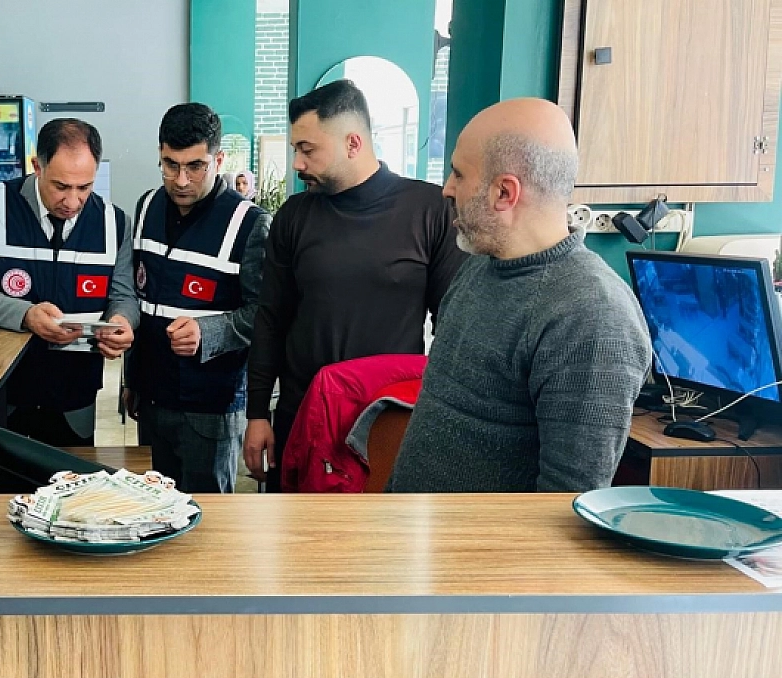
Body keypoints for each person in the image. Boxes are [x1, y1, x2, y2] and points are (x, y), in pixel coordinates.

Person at [388, 98, 651, 493]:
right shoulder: (481, 265)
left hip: (478, 537)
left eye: (458, 174)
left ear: (504, 192)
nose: (447, 189)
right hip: (413, 523)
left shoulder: (593, 317)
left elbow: (566, 501)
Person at [244, 80, 467, 491]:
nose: (297, 163)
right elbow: (270, 318)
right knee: (291, 528)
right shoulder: (294, 214)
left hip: (385, 418)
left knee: (376, 531)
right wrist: (257, 413)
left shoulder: (430, 210)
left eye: (307, 149)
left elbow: (453, 331)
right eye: (295, 149)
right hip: (302, 416)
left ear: (352, 143)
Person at [108, 103, 271, 493]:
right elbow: (141, 298)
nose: (181, 180)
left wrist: (208, 332)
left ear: (219, 160)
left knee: (208, 515)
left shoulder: (250, 223)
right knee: (151, 505)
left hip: (211, 406)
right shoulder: (146, 206)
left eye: (195, 166)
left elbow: (264, 314)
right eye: (170, 165)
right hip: (151, 397)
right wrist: (132, 379)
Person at [0, 118, 134, 447]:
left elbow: (123, 295)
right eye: (61, 186)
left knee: (71, 472)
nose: (73, 202)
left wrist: (121, 321)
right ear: (37, 166)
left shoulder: (115, 222)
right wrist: (26, 315)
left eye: (85, 187)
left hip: (74, 391)